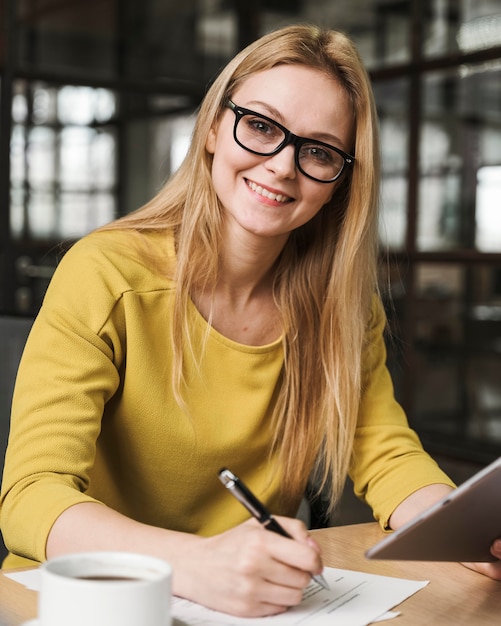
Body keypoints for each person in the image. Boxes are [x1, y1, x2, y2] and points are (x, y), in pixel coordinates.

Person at [1, 24, 500, 618]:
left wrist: (459, 528)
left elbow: (386, 453)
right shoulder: (106, 273)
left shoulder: (339, 302)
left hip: (257, 605)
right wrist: (195, 565)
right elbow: (31, 497)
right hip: (95, 601)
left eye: (318, 150)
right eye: (261, 126)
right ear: (214, 127)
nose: (283, 166)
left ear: (340, 181)